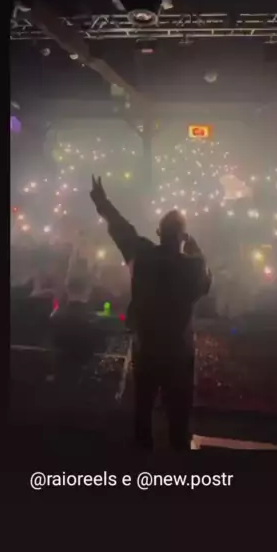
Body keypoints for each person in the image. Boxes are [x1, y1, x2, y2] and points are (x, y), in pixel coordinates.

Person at [90, 175, 212, 450]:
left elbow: (120, 228)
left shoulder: (142, 254)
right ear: (183, 236)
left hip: (146, 349)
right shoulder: (193, 266)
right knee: (178, 422)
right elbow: (206, 285)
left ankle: (142, 464)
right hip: (178, 354)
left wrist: (102, 201)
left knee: (142, 416)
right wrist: (198, 253)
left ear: (158, 232)